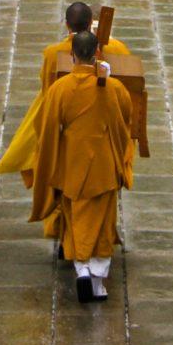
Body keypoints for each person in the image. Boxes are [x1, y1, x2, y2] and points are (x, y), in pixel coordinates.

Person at [28, 25, 135, 302]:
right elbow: (126, 119)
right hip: (103, 166)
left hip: (72, 164)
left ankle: (82, 270)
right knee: (102, 223)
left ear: (73, 55)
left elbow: (48, 127)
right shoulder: (113, 88)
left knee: (75, 217)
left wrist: (47, 160)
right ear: (97, 54)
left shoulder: (60, 89)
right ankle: (98, 283)